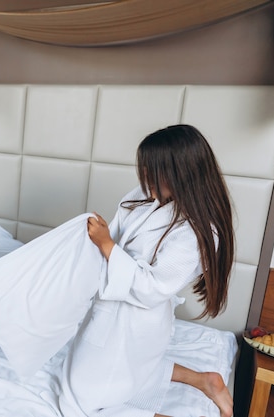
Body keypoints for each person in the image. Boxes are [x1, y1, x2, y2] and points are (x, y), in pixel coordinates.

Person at [58, 124, 235, 417]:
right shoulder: (145, 195)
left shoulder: (198, 232)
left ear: (181, 174)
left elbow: (152, 287)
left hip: (138, 318)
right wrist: (96, 240)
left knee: (79, 405)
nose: (146, 179)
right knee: (99, 377)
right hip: (111, 310)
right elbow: (113, 237)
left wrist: (106, 245)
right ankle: (204, 380)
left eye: (154, 172)